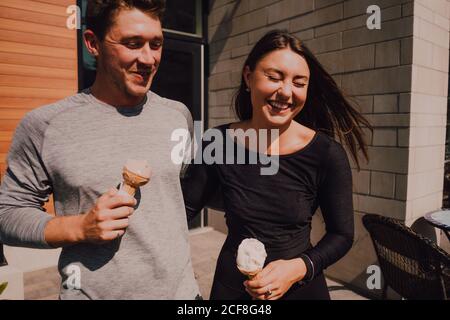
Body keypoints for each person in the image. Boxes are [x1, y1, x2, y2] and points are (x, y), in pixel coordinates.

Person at [0, 0, 201, 300]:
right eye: (133, 44)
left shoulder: (178, 116)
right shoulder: (45, 125)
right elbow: (8, 214)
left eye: (156, 44)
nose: (148, 59)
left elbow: (182, 192)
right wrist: (80, 227)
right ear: (93, 43)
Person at [182, 30, 371, 300]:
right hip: (234, 291)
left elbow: (341, 235)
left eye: (299, 82)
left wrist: (299, 267)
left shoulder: (326, 154)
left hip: (301, 290)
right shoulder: (217, 142)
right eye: (274, 77)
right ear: (248, 77)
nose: (285, 92)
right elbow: (181, 211)